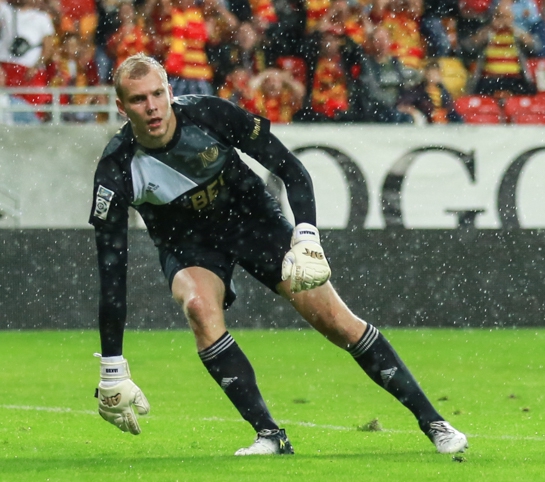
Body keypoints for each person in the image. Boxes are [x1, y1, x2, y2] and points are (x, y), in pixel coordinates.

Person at [89, 54, 468, 456]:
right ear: (122, 107)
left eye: (157, 94)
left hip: (254, 222)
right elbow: (112, 274)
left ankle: (434, 422)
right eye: (138, 99)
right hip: (187, 243)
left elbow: (291, 169)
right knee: (198, 308)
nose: (152, 107)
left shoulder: (210, 114)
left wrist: (306, 237)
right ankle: (270, 435)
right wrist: (112, 368)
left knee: (337, 322)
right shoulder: (115, 170)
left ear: (169, 91)